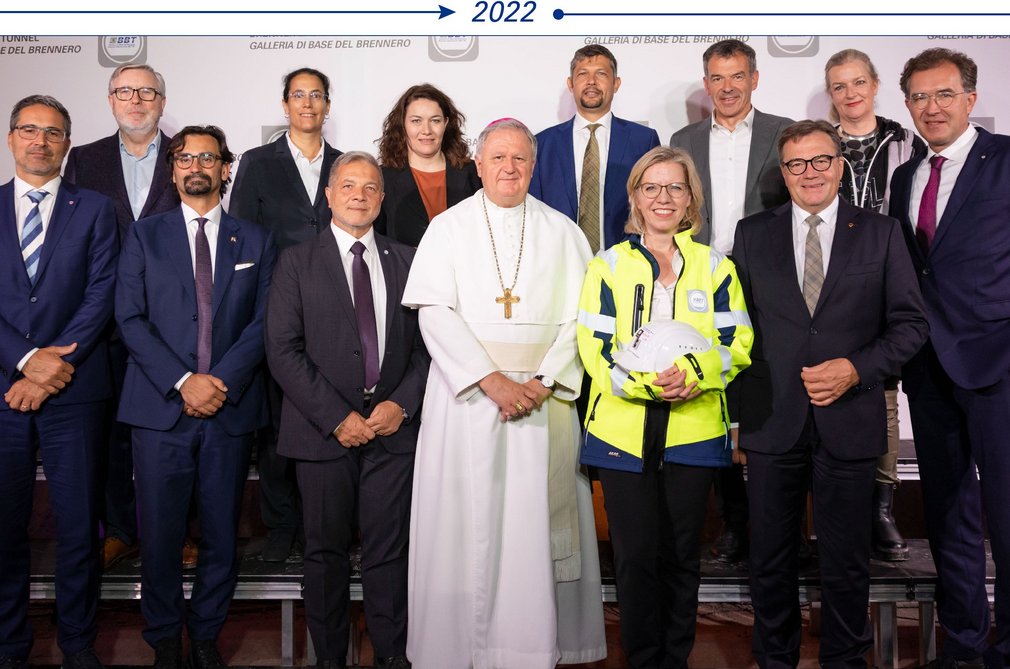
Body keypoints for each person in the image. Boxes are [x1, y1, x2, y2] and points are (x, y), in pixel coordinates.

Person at [403, 118, 606, 668]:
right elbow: (434, 312)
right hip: (468, 401)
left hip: (543, 404)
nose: (509, 168)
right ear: (479, 164)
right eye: (498, 157)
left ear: (533, 166)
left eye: (519, 158)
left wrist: (543, 382)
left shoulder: (564, 231)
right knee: (465, 526)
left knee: (532, 528)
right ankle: (458, 649)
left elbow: (582, 321)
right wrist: (489, 380)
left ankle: (528, 647)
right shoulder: (447, 228)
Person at [733, 119, 928, 669]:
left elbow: (911, 324)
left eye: (821, 160)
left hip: (850, 416)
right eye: (796, 163)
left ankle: (845, 660)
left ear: (840, 167)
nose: (810, 172)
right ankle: (775, 659)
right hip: (773, 420)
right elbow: (736, 330)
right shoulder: (752, 233)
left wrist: (855, 368)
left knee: (846, 561)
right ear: (784, 173)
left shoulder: (881, 233)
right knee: (770, 559)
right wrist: (736, 422)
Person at [576, 145, 752, 669]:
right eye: (651, 187)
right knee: (634, 558)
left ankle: (675, 659)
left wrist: (695, 374)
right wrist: (648, 386)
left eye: (676, 187)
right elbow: (594, 347)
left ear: (691, 198)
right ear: (635, 197)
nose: (663, 197)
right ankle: (642, 659)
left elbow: (737, 342)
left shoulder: (716, 267)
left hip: (694, 432)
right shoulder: (607, 266)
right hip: (621, 431)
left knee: (681, 556)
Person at [116, 125, 275, 669]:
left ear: (226, 168)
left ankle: (206, 634)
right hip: (160, 410)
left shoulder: (256, 240)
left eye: (208, 158)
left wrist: (217, 382)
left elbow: (263, 322)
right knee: (159, 535)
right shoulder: (144, 235)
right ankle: (164, 637)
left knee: (221, 533)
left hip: (228, 410)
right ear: (172, 169)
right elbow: (129, 318)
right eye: (185, 158)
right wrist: (184, 382)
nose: (196, 167)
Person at [265, 151, 428, 669]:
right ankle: (330, 659)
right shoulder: (296, 261)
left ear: (382, 199)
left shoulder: (409, 260)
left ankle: (392, 657)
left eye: (370, 187)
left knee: (389, 554)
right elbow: (282, 349)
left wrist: (401, 404)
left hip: (392, 432)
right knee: (324, 554)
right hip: (322, 434)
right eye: (349, 185)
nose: (360, 195)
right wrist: (337, 417)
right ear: (329, 195)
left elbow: (429, 348)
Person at [890, 47, 1010, 669]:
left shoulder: (1006, 160)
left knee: (1007, 514)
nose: (931, 107)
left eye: (943, 95)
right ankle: (963, 646)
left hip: (999, 364)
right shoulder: (906, 176)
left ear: (970, 99)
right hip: (929, 367)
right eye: (919, 97)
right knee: (947, 511)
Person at [0, 94, 118, 669]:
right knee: (4, 528)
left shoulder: (94, 208)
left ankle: (77, 644)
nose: (40, 141)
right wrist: (25, 360)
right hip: (3, 389)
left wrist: (48, 372)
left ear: (67, 144)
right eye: (29, 129)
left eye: (52, 132)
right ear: (11, 138)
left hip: (75, 389)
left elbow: (102, 293)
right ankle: (8, 645)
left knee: (77, 529)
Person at [669, 38, 793, 564]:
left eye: (737, 76)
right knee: (712, 394)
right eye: (717, 78)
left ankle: (774, 523)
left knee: (764, 392)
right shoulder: (684, 139)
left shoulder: (784, 133)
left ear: (754, 79)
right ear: (706, 84)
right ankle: (731, 523)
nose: (727, 87)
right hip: (702, 282)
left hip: (768, 280)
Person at [63, 63, 184, 570]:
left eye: (146, 92)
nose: (136, 100)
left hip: (174, 322)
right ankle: (120, 530)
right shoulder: (83, 159)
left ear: (162, 100)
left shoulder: (186, 154)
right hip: (104, 322)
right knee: (111, 433)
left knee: (177, 432)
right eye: (125, 91)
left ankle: (179, 533)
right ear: (111, 100)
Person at [229, 67, 341, 562]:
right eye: (299, 95)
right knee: (278, 422)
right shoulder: (257, 162)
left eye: (316, 95)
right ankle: (281, 526)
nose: (308, 103)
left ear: (327, 105)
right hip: (279, 304)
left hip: (336, 305)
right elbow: (241, 238)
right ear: (285, 105)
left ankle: (331, 527)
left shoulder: (343, 164)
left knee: (332, 411)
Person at [823, 48, 926, 563]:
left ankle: (881, 506)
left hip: (890, 272)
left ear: (876, 84)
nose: (850, 93)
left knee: (883, 386)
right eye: (839, 86)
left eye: (858, 82)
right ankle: (838, 504)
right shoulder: (819, 144)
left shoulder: (907, 141)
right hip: (832, 278)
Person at [530, 44, 661, 253]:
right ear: (571, 84)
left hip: (627, 260)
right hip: (559, 259)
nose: (591, 81)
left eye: (601, 74)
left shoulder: (643, 140)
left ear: (616, 83)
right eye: (583, 74)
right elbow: (534, 213)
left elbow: (656, 205)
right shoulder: (543, 144)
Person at [374, 83, 480, 247]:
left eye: (435, 121)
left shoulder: (473, 172)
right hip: (406, 264)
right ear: (403, 124)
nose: (426, 130)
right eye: (416, 121)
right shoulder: (383, 178)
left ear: (445, 123)